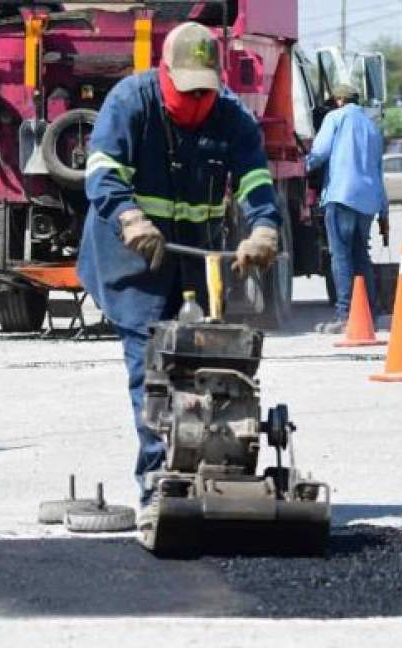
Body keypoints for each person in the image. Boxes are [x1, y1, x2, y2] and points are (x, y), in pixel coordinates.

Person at [77, 22, 281, 510]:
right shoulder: (130, 103)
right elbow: (103, 173)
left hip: (195, 261)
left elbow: (254, 181)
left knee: (208, 361)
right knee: (151, 364)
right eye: (186, 90)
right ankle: (156, 481)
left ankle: (215, 463)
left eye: (204, 91)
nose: (196, 101)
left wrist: (264, 227)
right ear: (163, 72)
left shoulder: (231, 117)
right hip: (132, 261)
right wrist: (129, 217)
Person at [306, 84, 389, 334]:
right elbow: (378, 170)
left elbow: (319, 152)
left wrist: (303, 165)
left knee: (340, 256)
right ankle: (370, 314)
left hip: (341, 196)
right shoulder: (372, 126)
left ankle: (345, 315)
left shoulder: (335, 118)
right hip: (368, 200)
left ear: (339, 100)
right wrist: (384, 211)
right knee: (361, 255)